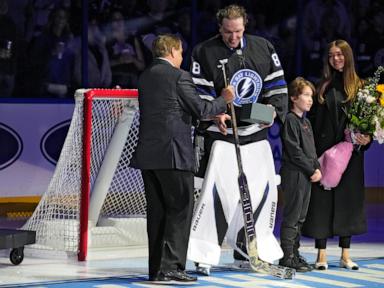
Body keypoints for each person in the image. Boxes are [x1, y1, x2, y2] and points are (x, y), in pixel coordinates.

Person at [189, 4, 288, 275]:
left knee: (260, 195)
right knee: (216, 194)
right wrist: (214, 115)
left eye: (239, 31)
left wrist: (272, 111)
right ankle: (204, 256)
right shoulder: (203, 51)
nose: (234, 37)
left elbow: (278, 90)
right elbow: (199, 96)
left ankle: (249, 250)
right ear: (219, 28)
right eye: (228, 32)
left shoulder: (263, 47)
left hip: (256, 137)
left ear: (246, 26)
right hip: (221, 138)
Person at [130, 34, 234, 283]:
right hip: (174, 155)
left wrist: (210, 116)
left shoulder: (145, 77)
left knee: (157, 213)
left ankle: (157, 269)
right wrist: (224, 100)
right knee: (179, 211)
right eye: (180, 52)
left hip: (149, 156)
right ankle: (173, 267)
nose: (182, 57)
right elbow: (199, 108)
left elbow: (175, 108)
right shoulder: (179, 76)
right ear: (173, 51)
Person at [302, 39, 371, 271]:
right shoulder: (321, 86)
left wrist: (366, 139)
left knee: (348, 203)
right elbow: (311, 123)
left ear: (348, 56)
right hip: (325, 154)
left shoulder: (361, 88)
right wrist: (313, 154)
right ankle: (321, 255)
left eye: (340, 55)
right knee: (322, 202)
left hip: (351, 155)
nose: (336, 59)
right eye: (331, 55)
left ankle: (345, 255)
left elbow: (369, 124)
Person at [279, 77, 321, 272]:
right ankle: (287, 256)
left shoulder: (306, 123)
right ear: (294, 98)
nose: (310, 99)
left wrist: (317, 168)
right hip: (295, 174)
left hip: (306, 175)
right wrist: (311, 169)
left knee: (301, 217)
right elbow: (295, 151)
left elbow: (311, 151)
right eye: (306, 95)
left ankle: (294, 253)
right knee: (292, 216)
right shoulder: (290, 120)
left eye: (311, 96)